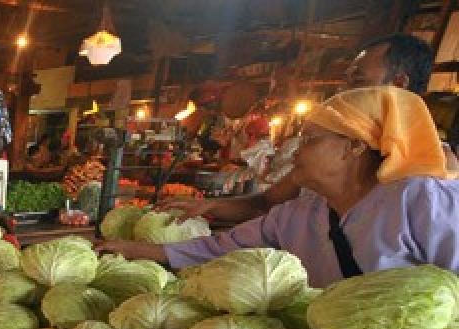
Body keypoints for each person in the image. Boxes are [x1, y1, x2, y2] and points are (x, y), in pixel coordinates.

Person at [99, 87, 459, 287]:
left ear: (355, 146)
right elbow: (216, 249)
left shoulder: (421, 200)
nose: (296, 151)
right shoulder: (300, 214)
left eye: (311, 141)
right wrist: (123, 248)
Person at [163, 33, 439, 224]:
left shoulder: (434, 182)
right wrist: (210, 206)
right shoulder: (328, 152)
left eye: (356, 80)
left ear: (399, 86)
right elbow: (268, 203)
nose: (343, 91)